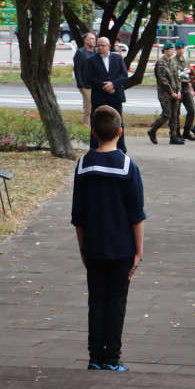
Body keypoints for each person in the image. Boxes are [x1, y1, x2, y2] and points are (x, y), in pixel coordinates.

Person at [71, 105, 146, 372]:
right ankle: (112, 358)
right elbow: (136, 215)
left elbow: (77, 215)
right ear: (120, 132)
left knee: (96, 300)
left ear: (94, 132)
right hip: (122, 248)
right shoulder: (128, 166)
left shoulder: (83, 165)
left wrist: (82, 249)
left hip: (93, 247)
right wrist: (138, 252)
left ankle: (94, 357)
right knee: (116, 301)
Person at [86, 37, 128, 153]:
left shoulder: (117, 58)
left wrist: (113, 84)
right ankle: (95, 149)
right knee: (97, 122)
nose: (100, 48)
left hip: (115, 96)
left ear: (109, 46)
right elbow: (89, 78)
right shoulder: (91, 60)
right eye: (98, 45)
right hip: (99, 97)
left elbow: (124, 75)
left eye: (103, 45)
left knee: (118, 122)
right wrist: (104, 87)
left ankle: (120, 148)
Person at [148, 42, 184, 145]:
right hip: (165, 94)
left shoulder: (173, 62)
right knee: (167, 114)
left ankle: (173, 136)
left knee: (174, 114)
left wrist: (179, 91)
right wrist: (172, 92)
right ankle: (153, 130)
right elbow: (162, 80)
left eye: (173, 49)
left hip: (174, 93)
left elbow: (177, 78)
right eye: (171, 49)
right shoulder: (161, 63)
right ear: (166, 50)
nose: (173, 51)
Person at [174, 41, 195, 140]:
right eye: (179, 48)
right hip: (177, 89)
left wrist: (193, 77)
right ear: (176, 49)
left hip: (186, 88)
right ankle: (177, 132)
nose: (181, 50)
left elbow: (190, 72)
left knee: (192, 110)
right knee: (176, 112)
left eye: (182, 48)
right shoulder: (173, 62)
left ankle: (187, 131)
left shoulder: (186, 61)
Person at [73, 32, 97, 127]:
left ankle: (95, 127)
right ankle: (86, 127)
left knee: (97, 108)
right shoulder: (80, 52)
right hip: (86, 86)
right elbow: (77, 70)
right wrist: (80, 85)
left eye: (94, 39)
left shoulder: (96, 52)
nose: (94, 40)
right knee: (88, 109)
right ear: (85, 41)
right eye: (91, 39)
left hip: (96, 85)